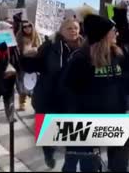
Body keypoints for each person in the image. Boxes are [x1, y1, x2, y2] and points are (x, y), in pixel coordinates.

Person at [60, 14, 129, 172]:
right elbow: (68, 91)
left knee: (120, 165)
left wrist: (127, 107)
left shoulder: (118, 54)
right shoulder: (80, 59)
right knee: (89, 166)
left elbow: (125, 83)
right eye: (113, 30)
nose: (117, 33)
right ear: (103, 34)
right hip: (88, 121)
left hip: (116, 118)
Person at [20, 18, 84, 169]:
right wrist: (27, 55)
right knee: (48, 136)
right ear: (61, 30)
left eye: (75, 28)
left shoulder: (84, 47)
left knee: (72, 137)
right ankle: (48, 153)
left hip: (71, 99)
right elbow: (33, 66)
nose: (73, 31)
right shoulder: (50, 45)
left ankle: (69, 165)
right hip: (48, 96)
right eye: (69, 28)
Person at [15, 20, 42, 111]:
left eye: (29, 26)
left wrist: (34, 50)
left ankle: (36, 104)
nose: (27, 28)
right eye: (24, 27)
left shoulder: (37, 36)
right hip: (23, 64)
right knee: (23, 85)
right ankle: (22, 103)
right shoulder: (19, 37)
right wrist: (32, 51)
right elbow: (21, 52)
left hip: (36, 64)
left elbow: (40, 49)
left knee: (35, 86)